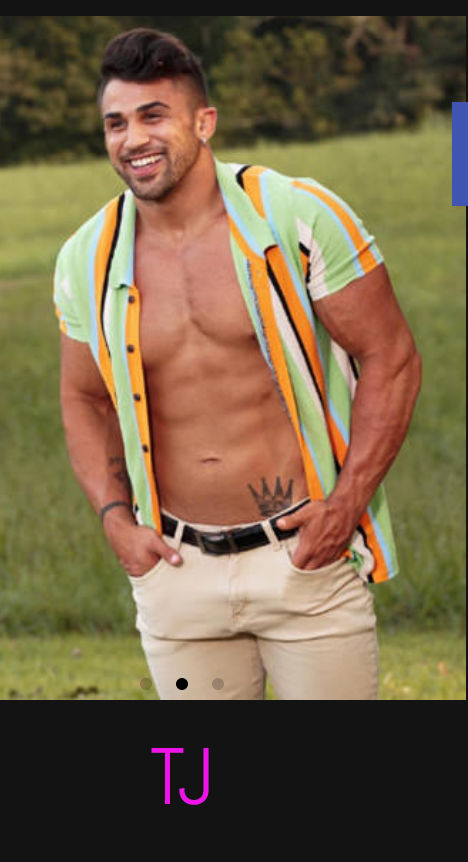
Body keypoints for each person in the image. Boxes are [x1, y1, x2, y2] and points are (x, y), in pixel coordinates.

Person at [53, 28, 421, 700]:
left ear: (205, 121)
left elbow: (390, 357)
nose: (133, 139)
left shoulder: (296, 215)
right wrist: (115, 520)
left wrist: (346, 506)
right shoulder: (86, 258)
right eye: (116, 123)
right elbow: (83, 396)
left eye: (153, 116)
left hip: (303, 559)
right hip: (175, 571)